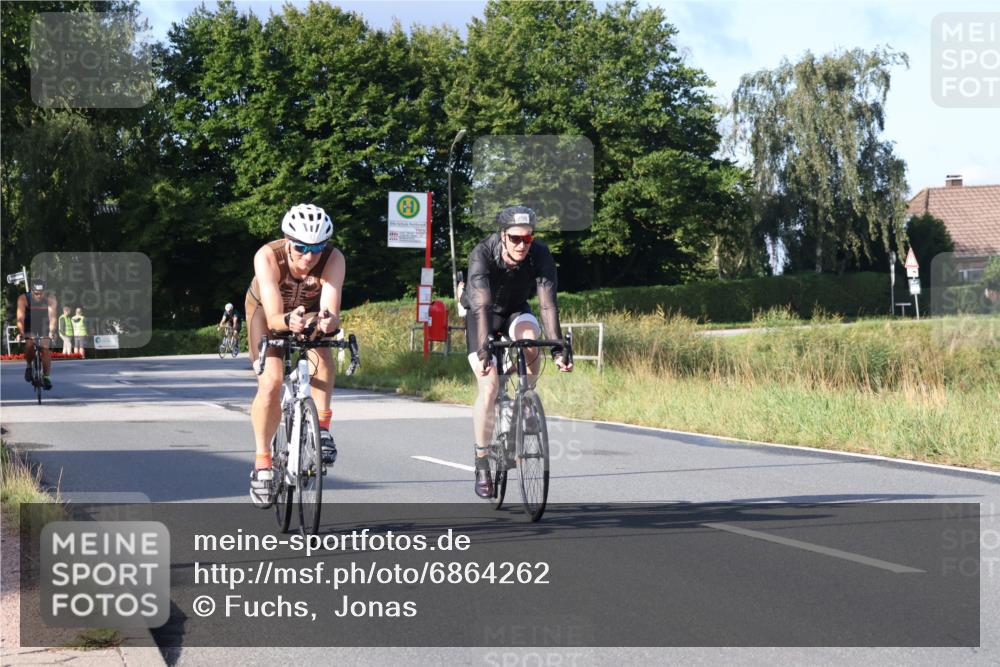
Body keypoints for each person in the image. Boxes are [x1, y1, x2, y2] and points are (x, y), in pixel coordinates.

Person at [460, 205, 573, 498]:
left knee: (530, 340)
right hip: (482, 314)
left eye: (528, 238)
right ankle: (482, 461)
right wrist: (485, 351)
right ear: (503, 235)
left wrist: (557, 349)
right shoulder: (482, 253)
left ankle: (525, 398)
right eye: (515, 238)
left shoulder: (540, 254)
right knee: (489, 387)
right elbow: (481, 305)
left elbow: (547, 304)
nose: (522, 245)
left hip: (515, 311)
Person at [245, 203, 346, 507]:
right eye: (301, 248)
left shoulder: (334, 259)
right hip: (267, 314)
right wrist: (288, 321)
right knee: (271, 382)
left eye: (317, 248)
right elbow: (275, 317)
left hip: (309, 312)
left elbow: (331, 310)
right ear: (288, 242)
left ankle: (322, 431)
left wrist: (328, 322)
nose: (309, 256)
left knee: (323, 353)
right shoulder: (267, 256)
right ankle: (263, 463)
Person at [16, 278, 57, 390]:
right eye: (36, 293)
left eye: (41, 293)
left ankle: (46, 377)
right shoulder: (23, 298)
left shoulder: (50, 298)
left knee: (45, 348)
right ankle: (29, 366)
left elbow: (52, 318)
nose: (39, 296)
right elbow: (20, 319)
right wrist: (22, 333)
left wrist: (51, 332)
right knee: (29, 344)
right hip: (29, 323)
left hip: (44, 323)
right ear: (31, 291)